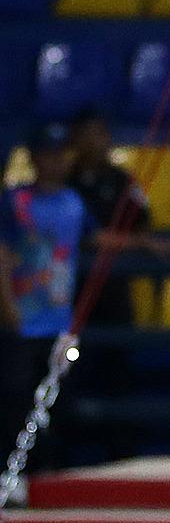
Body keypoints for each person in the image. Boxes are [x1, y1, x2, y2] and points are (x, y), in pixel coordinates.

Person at [0, 124, 95, 495]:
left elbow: (95, 236)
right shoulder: (15, 202)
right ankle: (13, 474)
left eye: (60, 154)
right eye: (46, 153)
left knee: (56, 400)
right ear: (34, 158)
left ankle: (50, 474)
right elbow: (3, 256)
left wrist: (146, 242)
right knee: (14, 398)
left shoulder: (75, 202)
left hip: (59, 323)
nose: (53, 161)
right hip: (21, 320)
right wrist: (8, 307)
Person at [67, 107, 170, 328]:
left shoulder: (122, 180)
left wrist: (138, 241)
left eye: (99, 134)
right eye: (86, 135)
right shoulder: (65, 183)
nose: (94, 142)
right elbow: (85, 236)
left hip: (114, 283)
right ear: (75, 140)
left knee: (115, 349)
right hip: (72, 284)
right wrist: (140, 243)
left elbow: (142, 221)